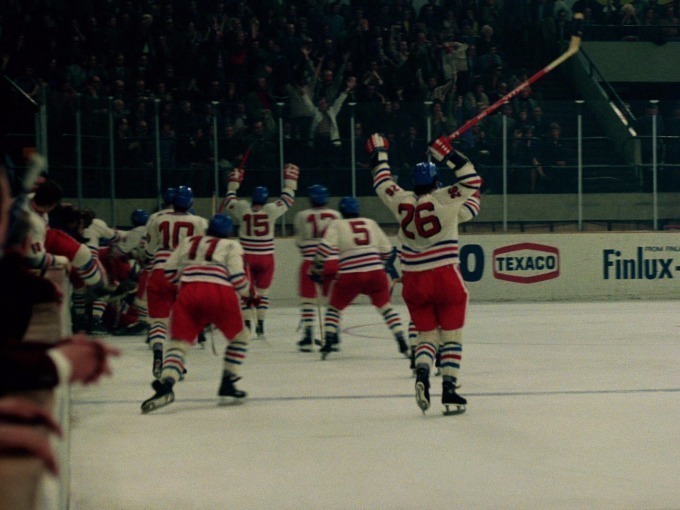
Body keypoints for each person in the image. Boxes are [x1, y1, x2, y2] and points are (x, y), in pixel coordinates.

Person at [365, 133, 482, 415]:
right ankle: (450, 389)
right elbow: (472, 183)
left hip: (414, 279)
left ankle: (421, 375)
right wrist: (447, 153)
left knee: (426, 336)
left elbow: (381, 181)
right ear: (436, 182)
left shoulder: (400, 199)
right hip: (444, 275)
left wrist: (379, 152)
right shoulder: (446, 198)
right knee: (451, 336)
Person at [141, 214, 255, 413]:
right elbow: (237, 278)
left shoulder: (189, 241)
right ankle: (228, 381)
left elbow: (169, 269)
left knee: (178, 344)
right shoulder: (232, 245)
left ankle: (167, 384)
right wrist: (249, 294)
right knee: (241, 337)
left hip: (188, 292)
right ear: (229, 232)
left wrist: (183, 284)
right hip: (219, 293)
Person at [311, 196, 409, 360]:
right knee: (386, 308)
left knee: (334, 308)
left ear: (341, 211)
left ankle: (328, 342)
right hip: (376, 272)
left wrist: (316, 267)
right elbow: (387, 251)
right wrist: (379, 263)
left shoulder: (337, 224)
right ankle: (402, 341)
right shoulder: (370, 222)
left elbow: (324, 248)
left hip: (350, 274)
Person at [220, 163, 299, 338]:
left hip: (246, 256)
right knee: (263, 292)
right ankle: (261, 324)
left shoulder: (242, 208)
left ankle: (247, 322)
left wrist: (233, 185)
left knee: (245, 291)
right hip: (266, 257)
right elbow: (287, 200)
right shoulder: (270, 210)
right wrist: (289, 183)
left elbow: (228, 201)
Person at [144, 186, 208, 379]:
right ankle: (177, 363)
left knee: (158, 321)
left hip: (159, 271)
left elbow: (148, 250)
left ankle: (157, 353)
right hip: (183, 275)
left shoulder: (157, 218)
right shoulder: (199, 221)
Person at [293, 184, 340, 351]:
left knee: (308, 299)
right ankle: (333, 334)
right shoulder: (336, 214)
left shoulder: (301, 215)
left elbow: (299, 241)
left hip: (310, 260)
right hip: (333, 260)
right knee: (333, 300)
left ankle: (308, 336)